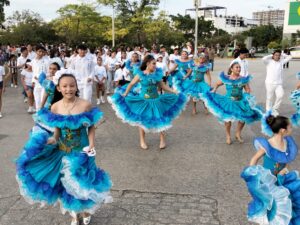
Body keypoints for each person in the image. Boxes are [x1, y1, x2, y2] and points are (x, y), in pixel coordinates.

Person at [16, 73, 112, 225]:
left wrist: (91, 144)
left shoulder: (85, 105)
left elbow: (91, 127)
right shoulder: (55, 107)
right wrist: (52, 139)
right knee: (66, 184)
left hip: (83, 151)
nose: (69, 89)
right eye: (65, 86)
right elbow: (57, 132)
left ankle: (86, 211)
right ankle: (74, 214)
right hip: (63, 151)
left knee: (83, 182)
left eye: (72, 85)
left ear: (76, 86)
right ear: (59, 89)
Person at [108, 55, 188, 150]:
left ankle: (162, 140)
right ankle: (142, 140)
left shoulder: (157, 74)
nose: (155, 65)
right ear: (148, 64)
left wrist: (173, 91)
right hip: (143, 101)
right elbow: (131, 84)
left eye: (155, 63)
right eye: (153, 63)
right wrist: (125, 94)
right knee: (141, 120)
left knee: (160, 118)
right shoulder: (140, 74)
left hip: (156, 100)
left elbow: (163, 86)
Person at [241, 113, 300, 224]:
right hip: (269, 181)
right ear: (283, 130)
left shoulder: (287, 142)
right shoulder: (267, 145)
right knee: (271, 206)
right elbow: (254, 159)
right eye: (290, 127)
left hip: (282, 178)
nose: (292, 128)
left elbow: (286, 159)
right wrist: (254, 177)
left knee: (286, 201)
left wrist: (285, 169)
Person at [201, 62, 262, 144]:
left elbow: (247, 89)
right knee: (228, 119)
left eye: (240, 67)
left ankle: (238, 133)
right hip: (228, 101)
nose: (239, 69)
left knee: (243, 118)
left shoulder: (243, 79)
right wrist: (214, 89)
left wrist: (247, 96)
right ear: (231, 69)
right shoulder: (226, 78)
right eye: (237, 67)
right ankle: (228, 136)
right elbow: (218, 84)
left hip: (240, 101)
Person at [262, 49, 293, 114]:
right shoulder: (269, 62)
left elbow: (290, 57)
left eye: (279, 55)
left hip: (279, 83)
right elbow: (263, 59)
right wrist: (271, 55)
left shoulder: (281, 62)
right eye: (276, 55)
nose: (277, 56)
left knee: (280, 95)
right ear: (273, 55)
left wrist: (282, 54)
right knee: (269, 97)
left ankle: (274, 109)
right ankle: (268, 110)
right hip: (269, 83)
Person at [31, 45, 50, 111]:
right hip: (36, 83)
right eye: (39, 51)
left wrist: (43, 78)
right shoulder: (33, 61)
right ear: (36, 52)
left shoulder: (46, 61)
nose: (41, 53)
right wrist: (33, 81)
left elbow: (48, 72)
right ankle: (38, 115)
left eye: (42, 52)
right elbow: (33, 72)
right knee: (37, 99)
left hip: (44, 83)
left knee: (43, 99)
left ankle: (43, 115)